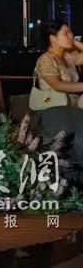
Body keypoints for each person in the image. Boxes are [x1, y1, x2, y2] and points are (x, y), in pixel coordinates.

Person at [31, 21, 83, 173]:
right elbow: (57, 85)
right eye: (66, 33)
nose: (71, 35)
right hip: (53, 110)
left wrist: (75, 43)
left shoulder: (68, 57)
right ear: (53, 38)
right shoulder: (45, 59)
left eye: (71, 32)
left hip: (73, 109)